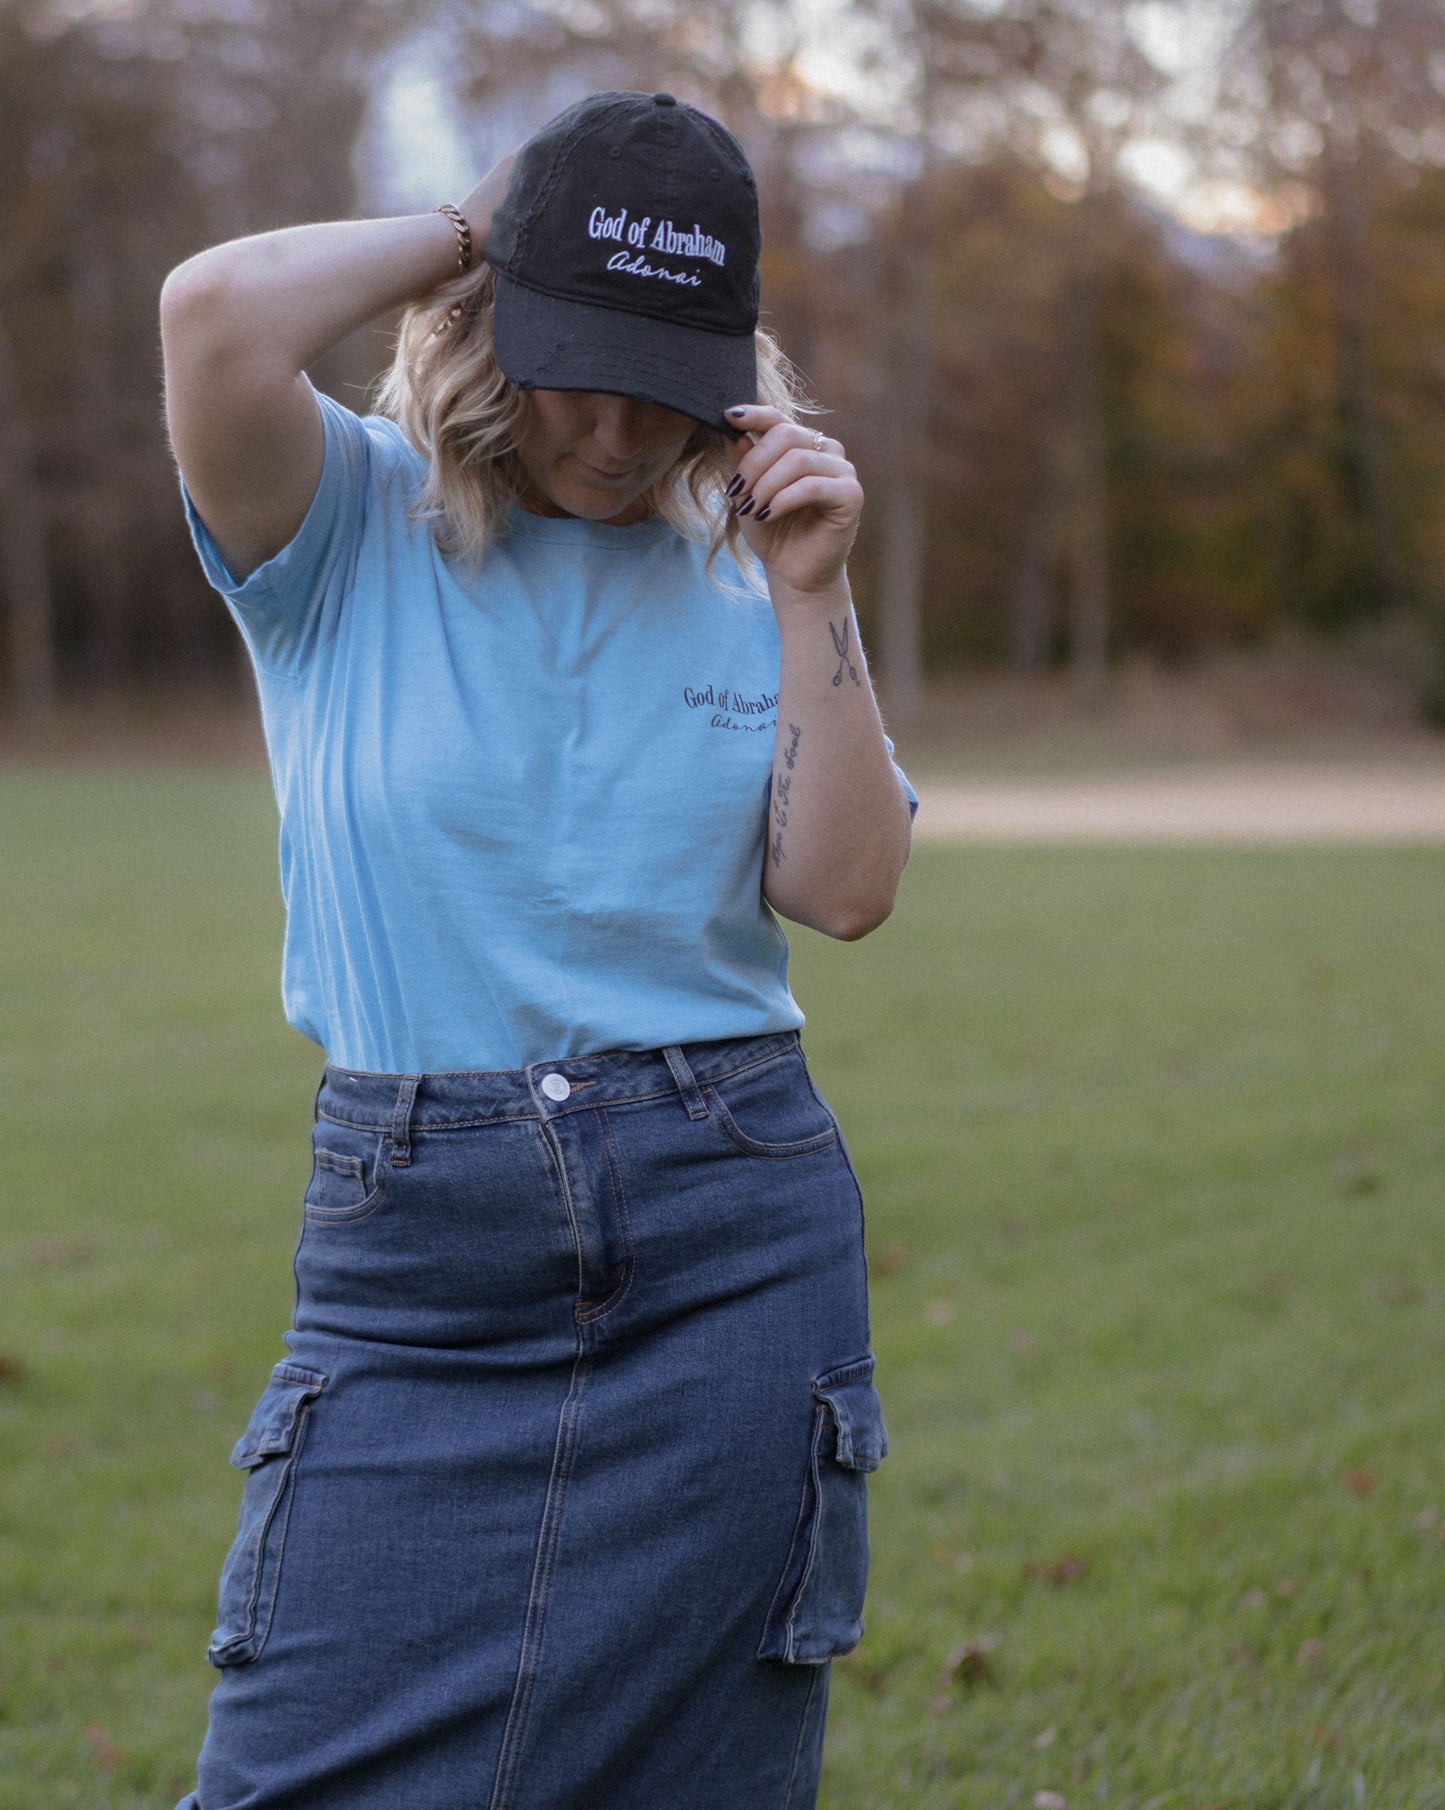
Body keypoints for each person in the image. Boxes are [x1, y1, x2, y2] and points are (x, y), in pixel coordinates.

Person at [159, 88, 915, 1810]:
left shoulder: (753, 570)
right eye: (579, 353)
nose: (619, 422)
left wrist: (816, 590)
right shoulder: (340, 524)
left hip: (733, 1224)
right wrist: (474, 225)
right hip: (418, 1248)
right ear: (491, 322)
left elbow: (849, 889)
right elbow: (211, 312)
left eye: (669, 375)